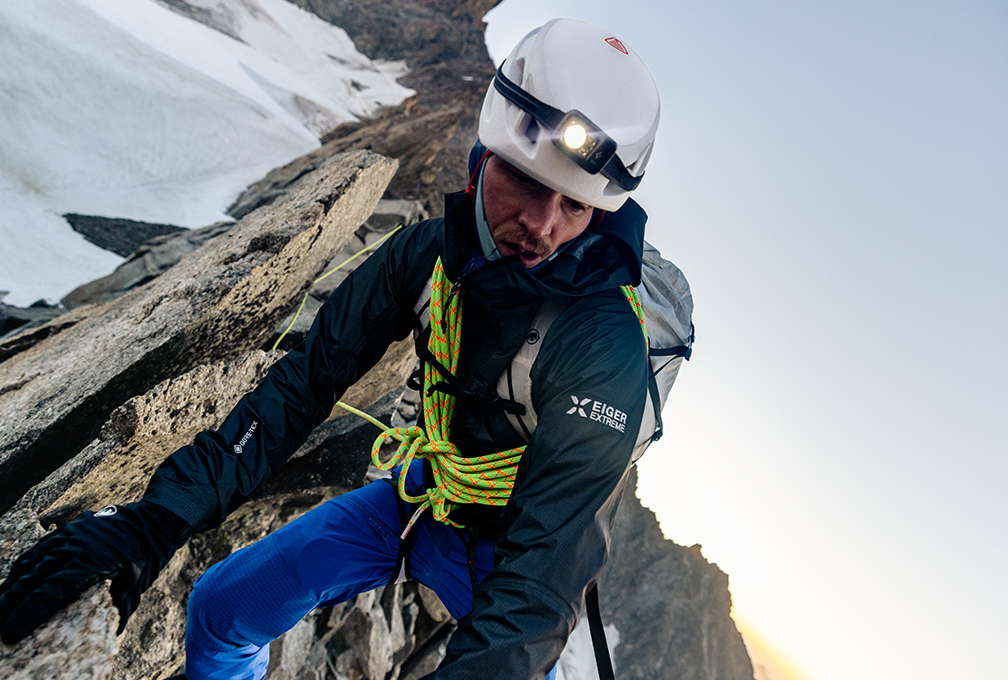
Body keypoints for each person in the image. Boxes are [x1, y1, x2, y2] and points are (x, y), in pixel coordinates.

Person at [0, 18, 665, 680]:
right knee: (219, 609)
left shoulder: (602, 340)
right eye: (525, 179)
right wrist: (156, 518)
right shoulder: (425, 255)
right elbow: (305, 385)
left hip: (514, 558)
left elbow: (543, 574)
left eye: (574, 206)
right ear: (487, 150)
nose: (543, 225)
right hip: (423, 500)